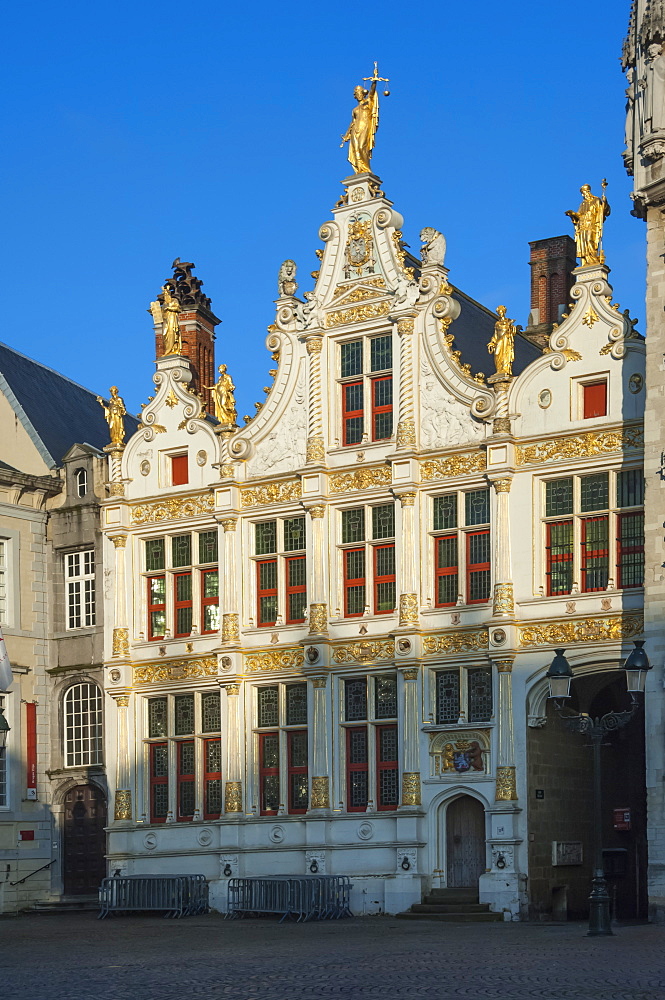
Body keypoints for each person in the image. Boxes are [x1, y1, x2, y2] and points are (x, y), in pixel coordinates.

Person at [565, 184, 610, 266]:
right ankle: (586, 261)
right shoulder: (583, 204)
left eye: (584, 192)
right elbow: (579, 215)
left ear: (588, 191)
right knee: (583, 243)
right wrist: (572, 214)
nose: (583, 195)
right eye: (582, 193)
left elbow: (603, 211)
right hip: (582, 226)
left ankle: (593, 260)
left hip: (591, 224)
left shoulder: (596, 200)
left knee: (589, 240)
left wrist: (605, 202)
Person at [341, 79, 379, 174]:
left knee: (362, 147)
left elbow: (372, 92)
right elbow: (352, 122)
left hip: (365, 128)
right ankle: (359, 170)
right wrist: (346, 135)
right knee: (356, 149)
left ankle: (366, 169)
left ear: (363, 93)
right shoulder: (354, 109)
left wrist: (374, 82)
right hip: (355, 130)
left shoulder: (369, 103)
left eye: (359, 92)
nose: (358, 94)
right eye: (356, 93)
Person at [488, 306, 515, 377]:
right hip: (499, 340)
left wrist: (510, 327)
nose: (500, 314)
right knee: (497, 354)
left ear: (504, 312)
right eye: (499, 312)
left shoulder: (508, 321)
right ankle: (499, 370)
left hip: (505, 339)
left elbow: (511, 331)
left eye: (501, 312)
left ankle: (505, 369)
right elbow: (496, 334)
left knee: (505, 353)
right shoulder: (497, 323)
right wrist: (492, 342)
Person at [162, 285, 182, 355]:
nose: (166, 296)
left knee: (172, 333)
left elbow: (178, 309)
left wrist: (169, 308)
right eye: (164, 295)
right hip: (166, 321)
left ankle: (173, 349)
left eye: (167, 294)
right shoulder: (164, 303)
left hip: (172, 320)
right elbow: (163, 314)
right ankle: (167, 350)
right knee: (165, 334)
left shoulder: (174, 300)